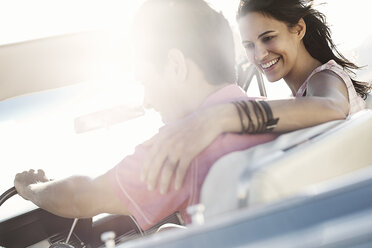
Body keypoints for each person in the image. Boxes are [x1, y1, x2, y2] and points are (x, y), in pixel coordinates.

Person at [14, 0, 277, 230]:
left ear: (175, 65)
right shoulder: (278, 115)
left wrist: (31, 188)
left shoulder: (181, 146)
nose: (147, 101)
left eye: (146, 81)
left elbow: (80, 197)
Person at [141, 0, 372, 193]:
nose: (259, 54)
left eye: (268, 38)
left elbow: (332, 107)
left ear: (299, 29)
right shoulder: (306, 89)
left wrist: (223, 116)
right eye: (249, 45)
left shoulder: (324, 77)